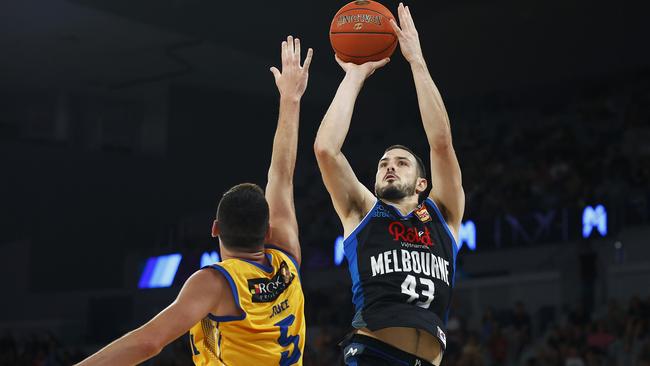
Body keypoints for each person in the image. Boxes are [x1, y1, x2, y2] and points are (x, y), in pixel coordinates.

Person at [76, 36, 313, 366]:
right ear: (268, 228)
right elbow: (282, 174)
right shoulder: (287, 258)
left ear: (215, 228)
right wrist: (291, 99)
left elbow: (148, 343)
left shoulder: (214, 282)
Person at [313, 3, 463, 365]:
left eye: (401, 163)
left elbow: (441, 142)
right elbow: (326, 150)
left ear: (422, 183)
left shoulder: (443, 215)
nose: (389, 167)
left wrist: (417, 61)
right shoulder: (363, 212)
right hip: (373, 355)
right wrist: (353, 77)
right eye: (383, 164)